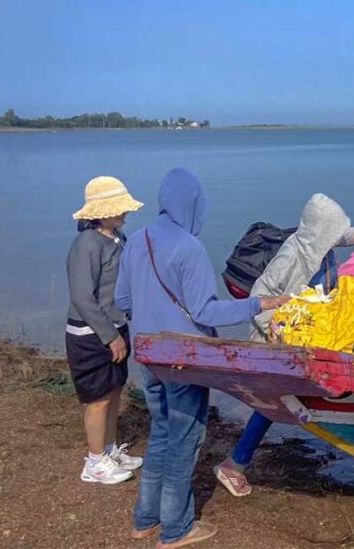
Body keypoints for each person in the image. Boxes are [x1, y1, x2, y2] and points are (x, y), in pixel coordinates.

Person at [115, 168, 289, 548]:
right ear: (194, 203)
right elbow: (207, 314)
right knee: (184, 440)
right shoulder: (188, 247)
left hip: (147, 356)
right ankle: (177, 529)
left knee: (160, 434)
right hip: (184, 359)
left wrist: (153, 313)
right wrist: (260, 304)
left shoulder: (136, 239)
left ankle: (145, 520)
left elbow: (123, 302)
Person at [214, 193, 354, 497]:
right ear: (320, 230)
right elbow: (260, 293)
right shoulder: (292, 254)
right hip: (278, 340)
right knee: (277, 401)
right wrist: (279, 328)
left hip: (311, 337)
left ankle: (237, 462)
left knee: (280, 402)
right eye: (332, 231)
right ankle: (233, 465)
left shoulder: (324, 242)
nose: (337, 237)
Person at [67, 176, 146, 485]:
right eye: (117, 209)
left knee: (114, 392)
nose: (124, 214)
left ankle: (110, 449)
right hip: (90, 336)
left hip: (115, 327)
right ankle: (95, 462)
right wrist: (110, 336)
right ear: (99, 212)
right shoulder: (87, 244)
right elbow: (83, 298)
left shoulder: (116, 237)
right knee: (98, 398)